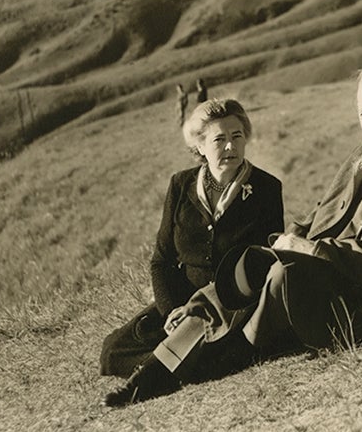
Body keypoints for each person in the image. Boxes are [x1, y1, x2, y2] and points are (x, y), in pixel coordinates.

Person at [105, 67, 362, 407]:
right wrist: (284, 241)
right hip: (341, 272)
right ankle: (150, 377)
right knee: (238, 277)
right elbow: (321, 215)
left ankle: (232, 354)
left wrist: (310, 250)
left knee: (284, 276)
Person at [99, 98, 284, 379]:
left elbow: (265, 262)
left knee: (212, 345)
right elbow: (161, 260)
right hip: (182, 301)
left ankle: (177, 363)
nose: (230, 147)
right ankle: (182, 362)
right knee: (113, 350)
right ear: (199, 146)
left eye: (237, 136)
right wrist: (172, 311)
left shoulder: (266, 188)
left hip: (233, 304)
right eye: (219, 139)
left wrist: (207, 305)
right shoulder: (181, 185)